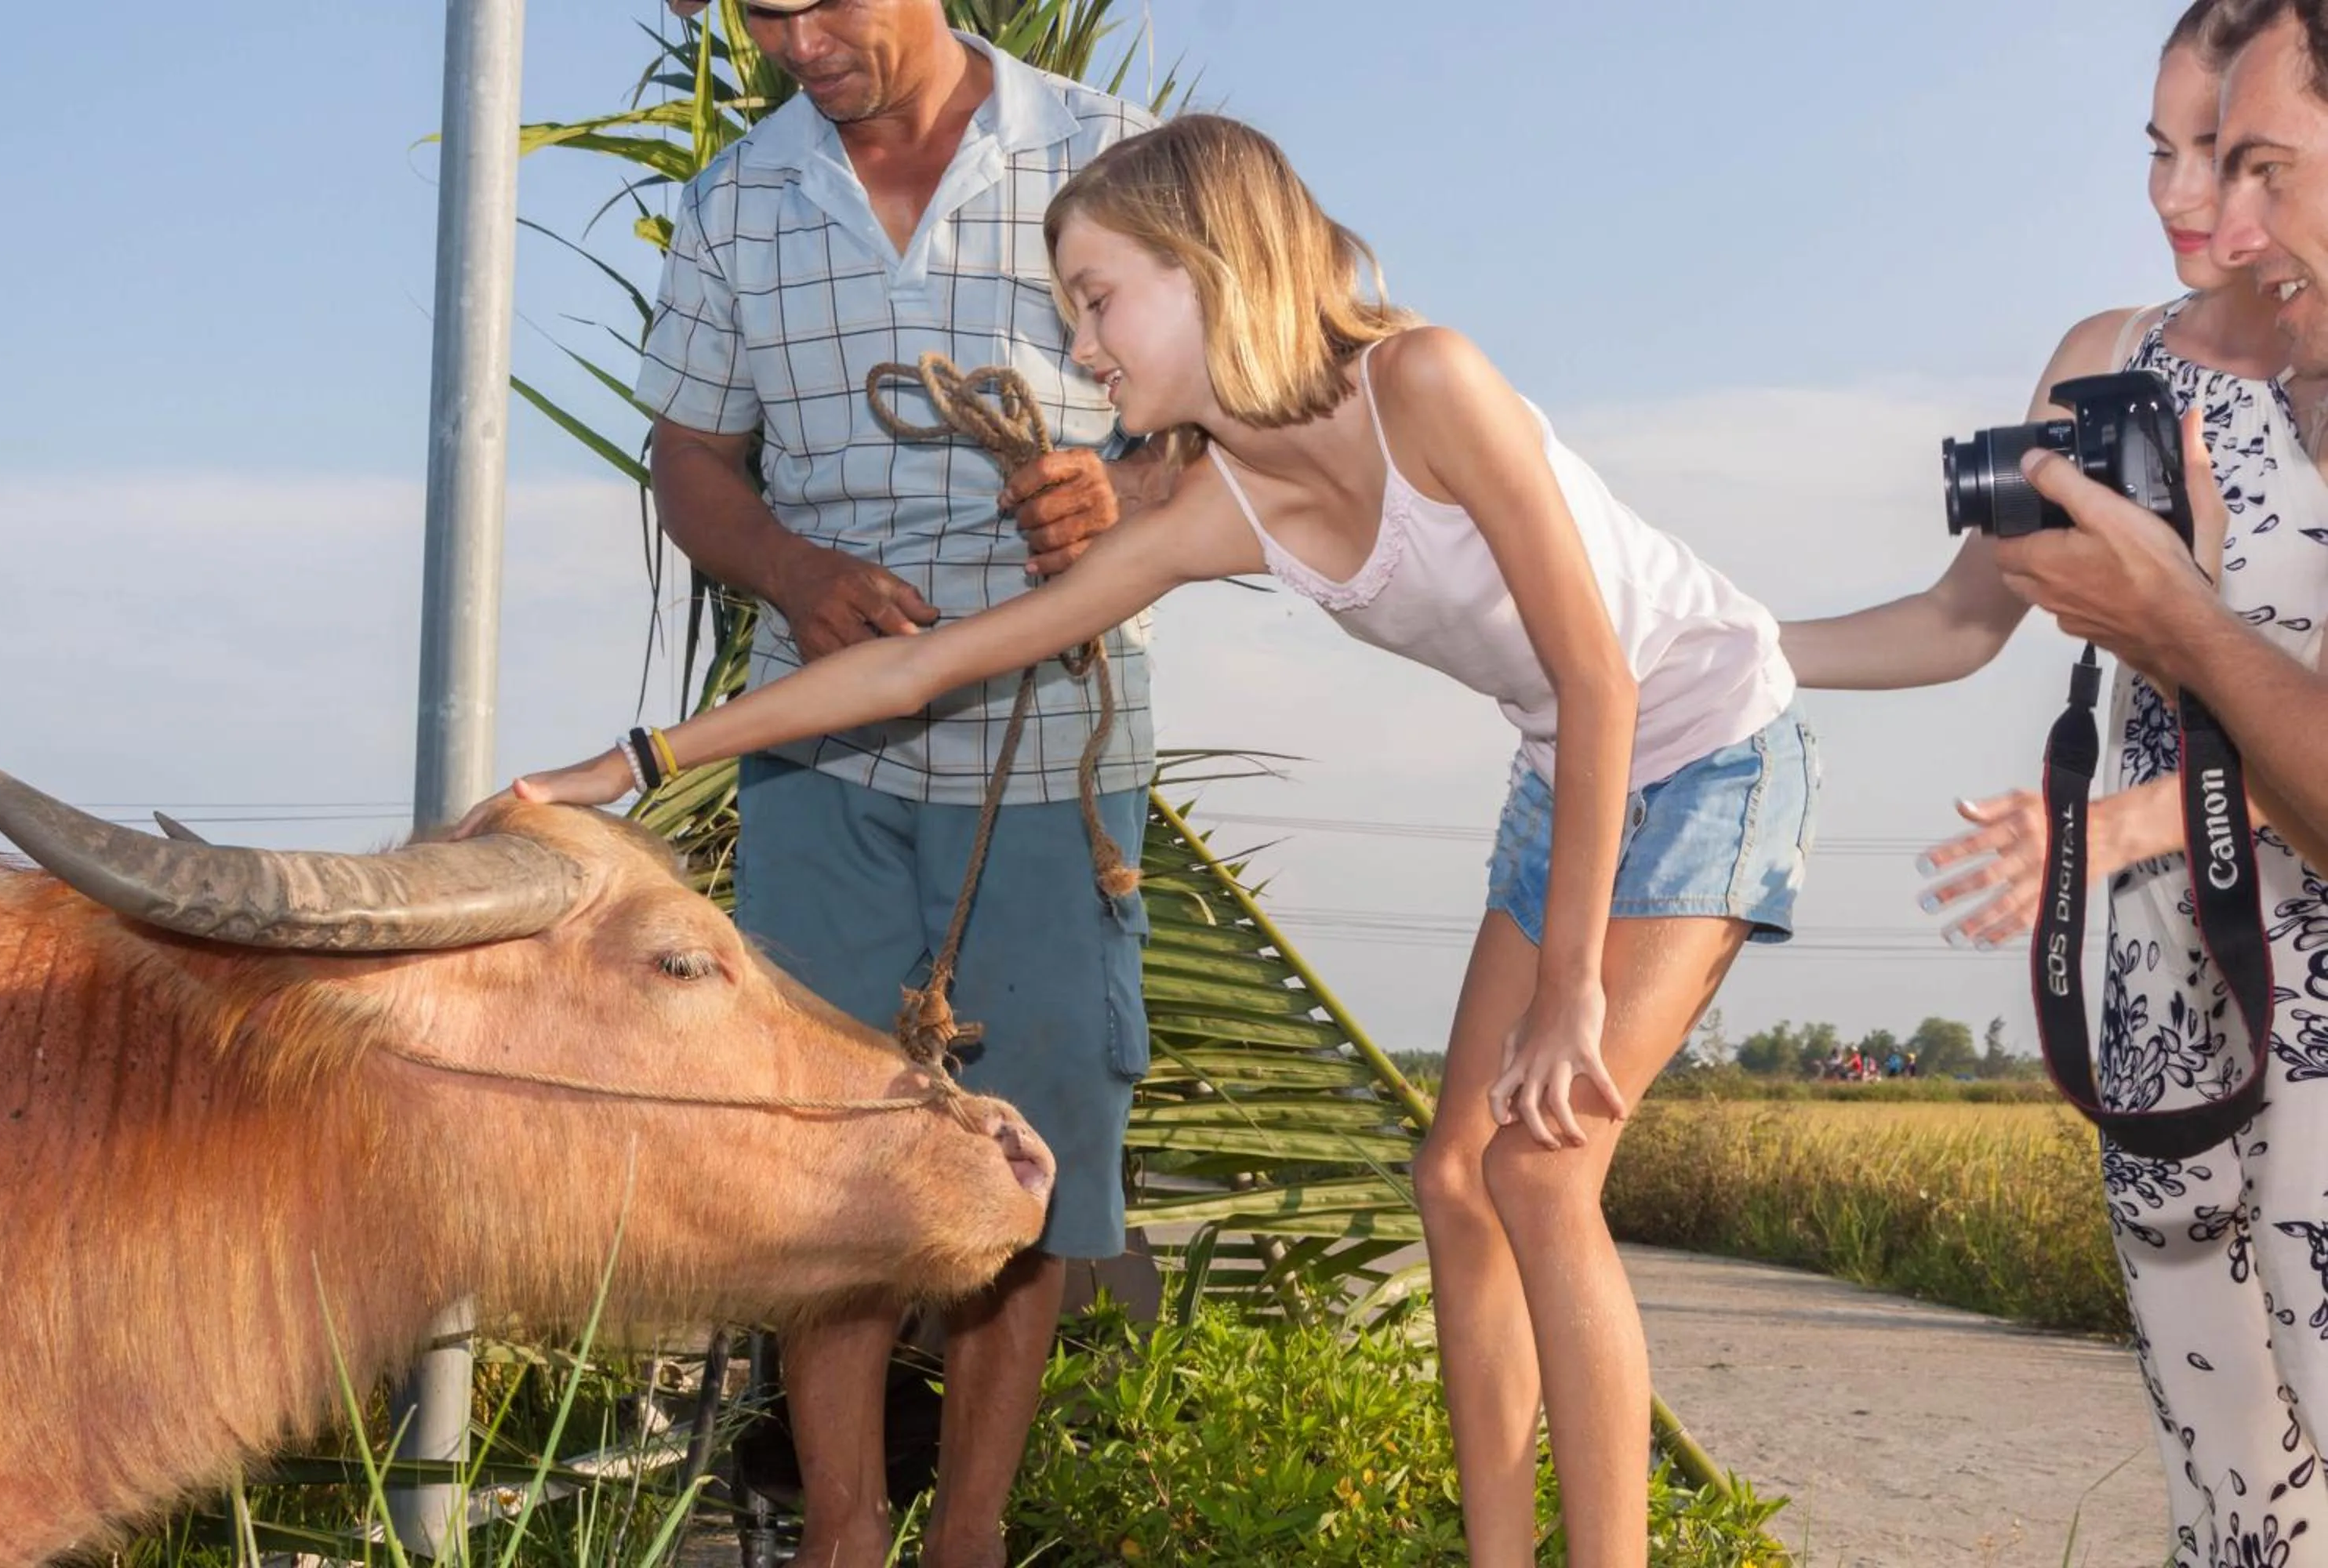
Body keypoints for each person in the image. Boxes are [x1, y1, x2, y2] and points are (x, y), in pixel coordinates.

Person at [477, 114, 1815, 1568]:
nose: (1081, 347)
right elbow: (921, 668)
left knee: (1540, 1171)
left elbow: (1600, 675)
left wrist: (1570, 995)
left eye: (1098, 301)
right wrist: (633, 761)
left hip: (1703, 749)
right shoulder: (1222, 507)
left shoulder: (1426, 380)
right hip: (1567, 776)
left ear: (1209, 267)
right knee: (1453, 1179)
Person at [1785, 6, 2328, 1560]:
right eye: (2162, 151)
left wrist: (2115, 815)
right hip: (2159, 980)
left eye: (2230, 154)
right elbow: (1961, 619)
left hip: (2305, 947)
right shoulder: (2106, 360)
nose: (2185, 198)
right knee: (2228, 1488)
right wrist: (1721, 648)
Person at [627, 4, 1167, 1564]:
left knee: (1031, 1151)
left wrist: (1120, 492)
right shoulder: (740, 199)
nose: (797, 42)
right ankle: (845, 1535)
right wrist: (791, 569)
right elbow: (690, 460)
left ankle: (968, 1536)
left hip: (1053, 748)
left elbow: (1237, 424)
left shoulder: (1113, 154)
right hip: (820, 744)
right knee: (824, 1153)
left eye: (826, 4)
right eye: (762, 12)